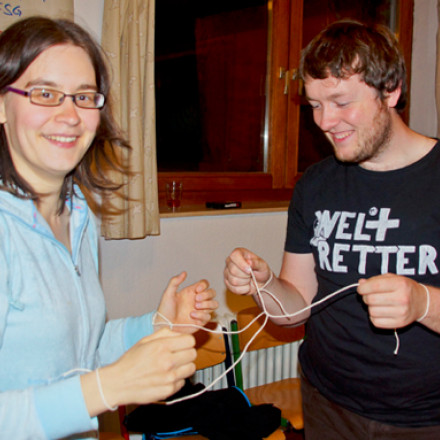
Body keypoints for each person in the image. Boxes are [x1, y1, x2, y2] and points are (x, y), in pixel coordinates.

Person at [0, 16, 217, 439]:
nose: (70, 115)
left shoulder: (76, 213)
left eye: (84, 96)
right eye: (45, 93)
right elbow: (92, 385)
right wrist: (108, 387)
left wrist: (156, 324)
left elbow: (79, 354)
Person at [224, 19, 440, 439]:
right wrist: (264, 284)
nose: (324, 121)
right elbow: (296, 308)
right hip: (327, 404)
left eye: (341, 102)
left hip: (427, 419)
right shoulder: (316, 185)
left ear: (391, 91)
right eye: (315, 105)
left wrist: (422, 302)